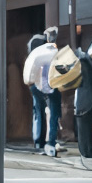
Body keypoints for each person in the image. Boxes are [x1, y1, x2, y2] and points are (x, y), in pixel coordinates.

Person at [23, 27, 62, 156]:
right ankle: (50, 142)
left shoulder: (38, 51)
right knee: (53, 115)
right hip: (51, 87)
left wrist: (31, 82)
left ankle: (38, 142)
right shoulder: (55, 51)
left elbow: (32, 68)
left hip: (36, 86)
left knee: (38, 114)